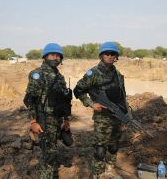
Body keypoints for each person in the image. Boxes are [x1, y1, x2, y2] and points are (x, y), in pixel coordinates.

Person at [73, 41, 132, 178]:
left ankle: (110, 170)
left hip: (117, 115)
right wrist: (91, 104)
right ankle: (97, 174)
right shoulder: (93, 73)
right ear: (101, 55)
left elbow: (122, 96)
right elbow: (78, 90)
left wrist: (127, 114)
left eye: (113, 54)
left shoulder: (118, 75)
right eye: (107, 53)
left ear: (116, 57)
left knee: (114, 145)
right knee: (100, 148)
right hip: (102, 118)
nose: (110, 56)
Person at [23, 43, 72, 179]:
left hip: (57, 120)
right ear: (45, 56)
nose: (56, 58)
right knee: (48, 154)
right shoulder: (37, 74)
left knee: (53, 148)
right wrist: (33, 121)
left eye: (58, 55)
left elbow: (64, 101)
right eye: (53, 55)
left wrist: (66, 119)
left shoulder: (60, 77)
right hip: (43, 119)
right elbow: (30, 100)